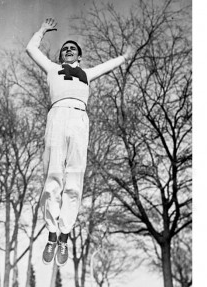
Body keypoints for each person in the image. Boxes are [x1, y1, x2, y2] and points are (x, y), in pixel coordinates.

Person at [26, 18, 133, 267]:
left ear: (80, 57)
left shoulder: (86, 73)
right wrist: (41, 30)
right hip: (56, 116)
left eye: (73, 48)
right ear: (61, 54)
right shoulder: (52, 68)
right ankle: (52, 234)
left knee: (74, 177)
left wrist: (126, 55)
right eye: (65, 48)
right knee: (53, 176)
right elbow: (31, 49)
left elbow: (109, 65)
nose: (68, 50)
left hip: (79, 118)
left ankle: (64, 235)